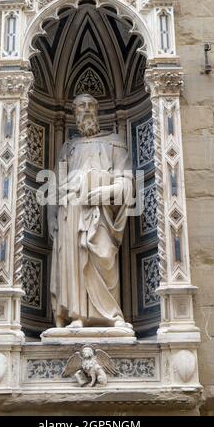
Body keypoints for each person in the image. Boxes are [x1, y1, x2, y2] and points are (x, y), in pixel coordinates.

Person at [48, 94, 133, 330]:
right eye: (80, 106)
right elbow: (55, 186)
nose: (85, 110)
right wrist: (52, 216)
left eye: (89, 106)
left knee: (103, 256)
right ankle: (76, 315)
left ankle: (110, 314)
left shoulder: (115, 142)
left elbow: (127, 182)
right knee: (73, 263)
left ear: (98, 111)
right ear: (74, 114)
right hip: (71, 212)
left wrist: (104, 191)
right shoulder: (68, 148)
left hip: (100, 214)